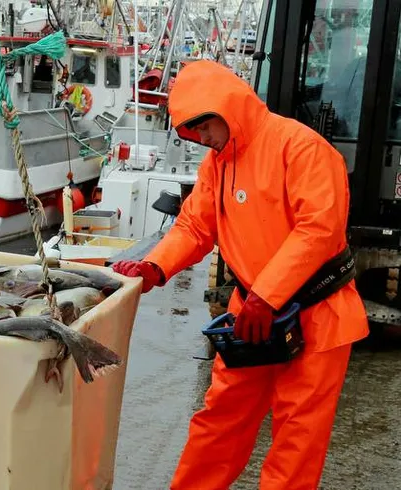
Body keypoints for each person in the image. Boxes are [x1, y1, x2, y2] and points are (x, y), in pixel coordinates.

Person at [111, 59, 368, 489]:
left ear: (228, 106)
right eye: (193, 131)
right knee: (218, 423)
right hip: (250, 315)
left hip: (316, 313)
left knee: (296, 441)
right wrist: (155, 265)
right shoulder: (217, 164)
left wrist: (266, 296)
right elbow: (194, 226)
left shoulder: (301, 148)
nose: (203, 138)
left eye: (205, 126)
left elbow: (319, 229)